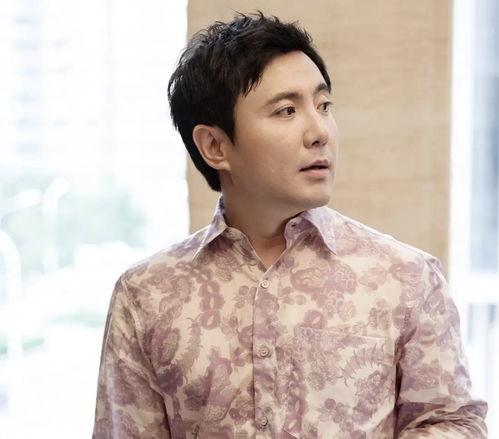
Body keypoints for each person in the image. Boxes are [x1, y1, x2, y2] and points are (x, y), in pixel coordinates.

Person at [92, 12, 488, 439]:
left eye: (324, 106)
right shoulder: (147, 296)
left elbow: (454, 423)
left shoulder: (406, 278)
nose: (319, 132)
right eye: (286, 110)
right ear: (215, 146)